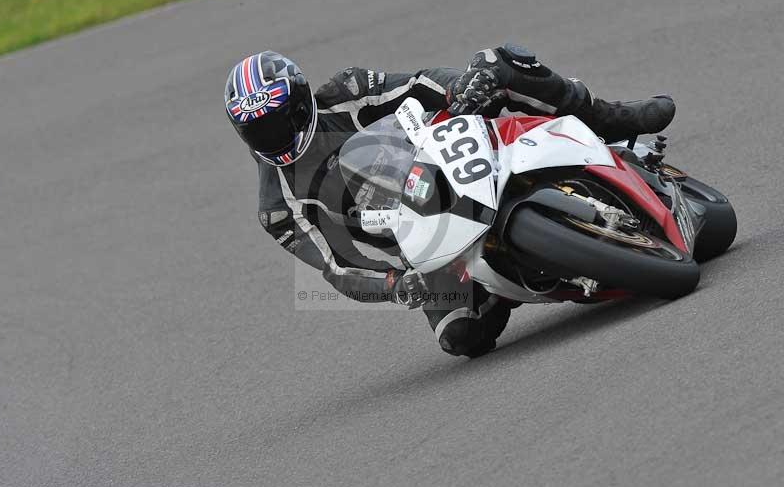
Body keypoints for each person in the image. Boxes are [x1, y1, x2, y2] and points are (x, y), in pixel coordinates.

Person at [223, 44, 676, 357]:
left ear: (301, 101)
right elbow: (336, 267)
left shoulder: (349, 92)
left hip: (447, 156)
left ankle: (607, 119)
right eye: (258, 131)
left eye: (279, 121)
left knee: (498, 65)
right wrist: (394, 285)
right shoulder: (278, 207)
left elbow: (421, 84)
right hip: (424, 239)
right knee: (462, 337)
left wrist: (461, 88)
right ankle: (518, 276)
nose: (274, 137)